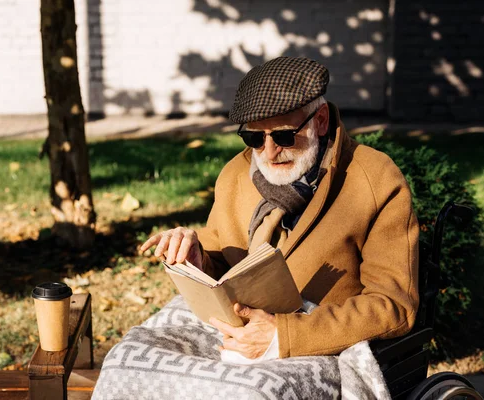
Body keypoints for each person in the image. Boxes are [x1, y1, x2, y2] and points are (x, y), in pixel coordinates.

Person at [140, 56, 419, 360]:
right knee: (130, 361)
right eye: (254, 137)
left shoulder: (374, 177)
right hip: (235, 333)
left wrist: (285, 334)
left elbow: (393, 305)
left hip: (318, 349)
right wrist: (199, 260)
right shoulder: (236, 174)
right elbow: (222, 263)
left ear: (321, 121)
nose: (270, 152)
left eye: (284, 136)